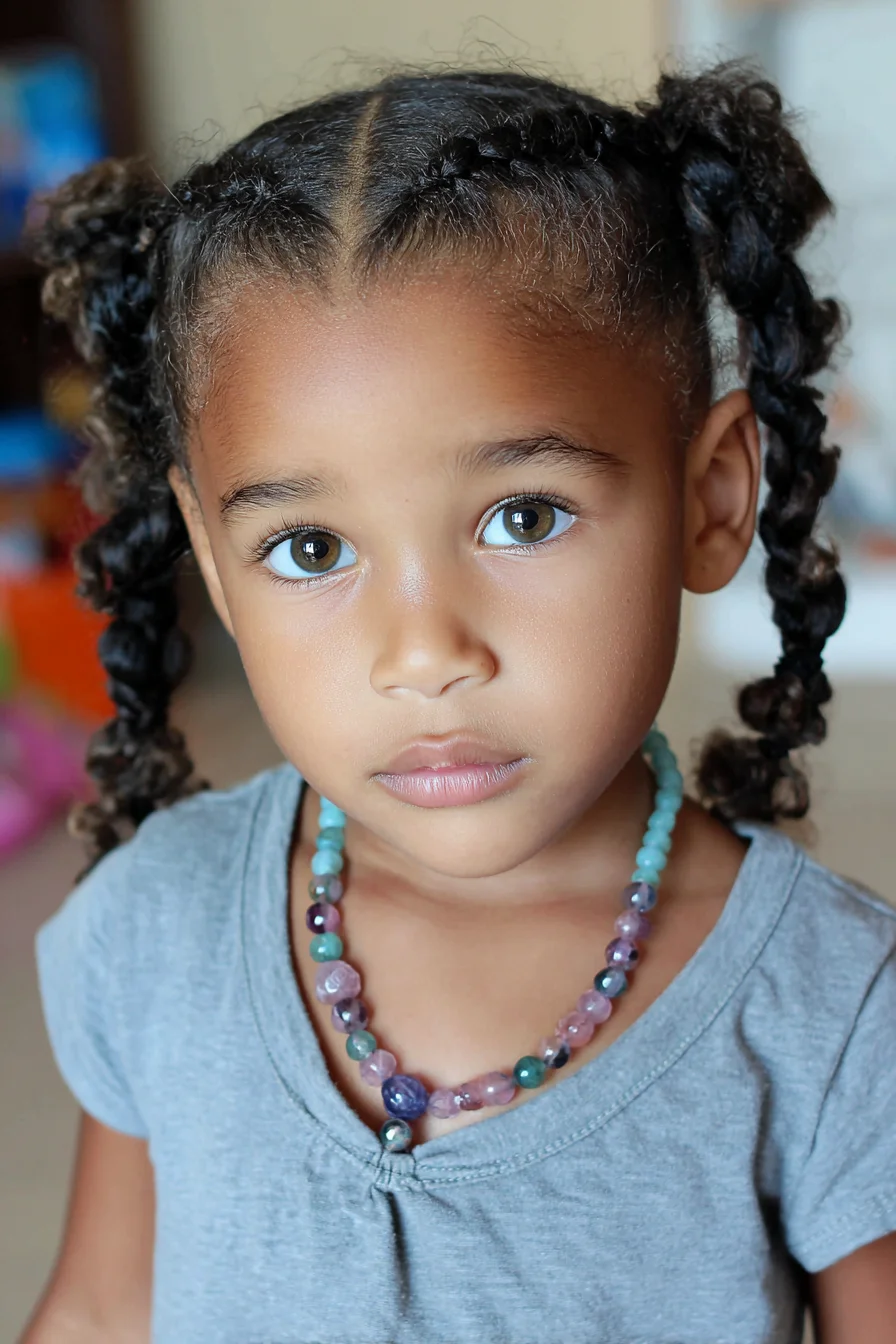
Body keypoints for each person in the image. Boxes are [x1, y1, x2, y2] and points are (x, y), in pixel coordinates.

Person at [21, 61, 896, 1344]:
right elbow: (101, 1310)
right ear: (211, 561)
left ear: (711, 498)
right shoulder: (160, 926)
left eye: (521, 517)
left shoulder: (828, 1008)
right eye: (310, 549)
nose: (421, 652)